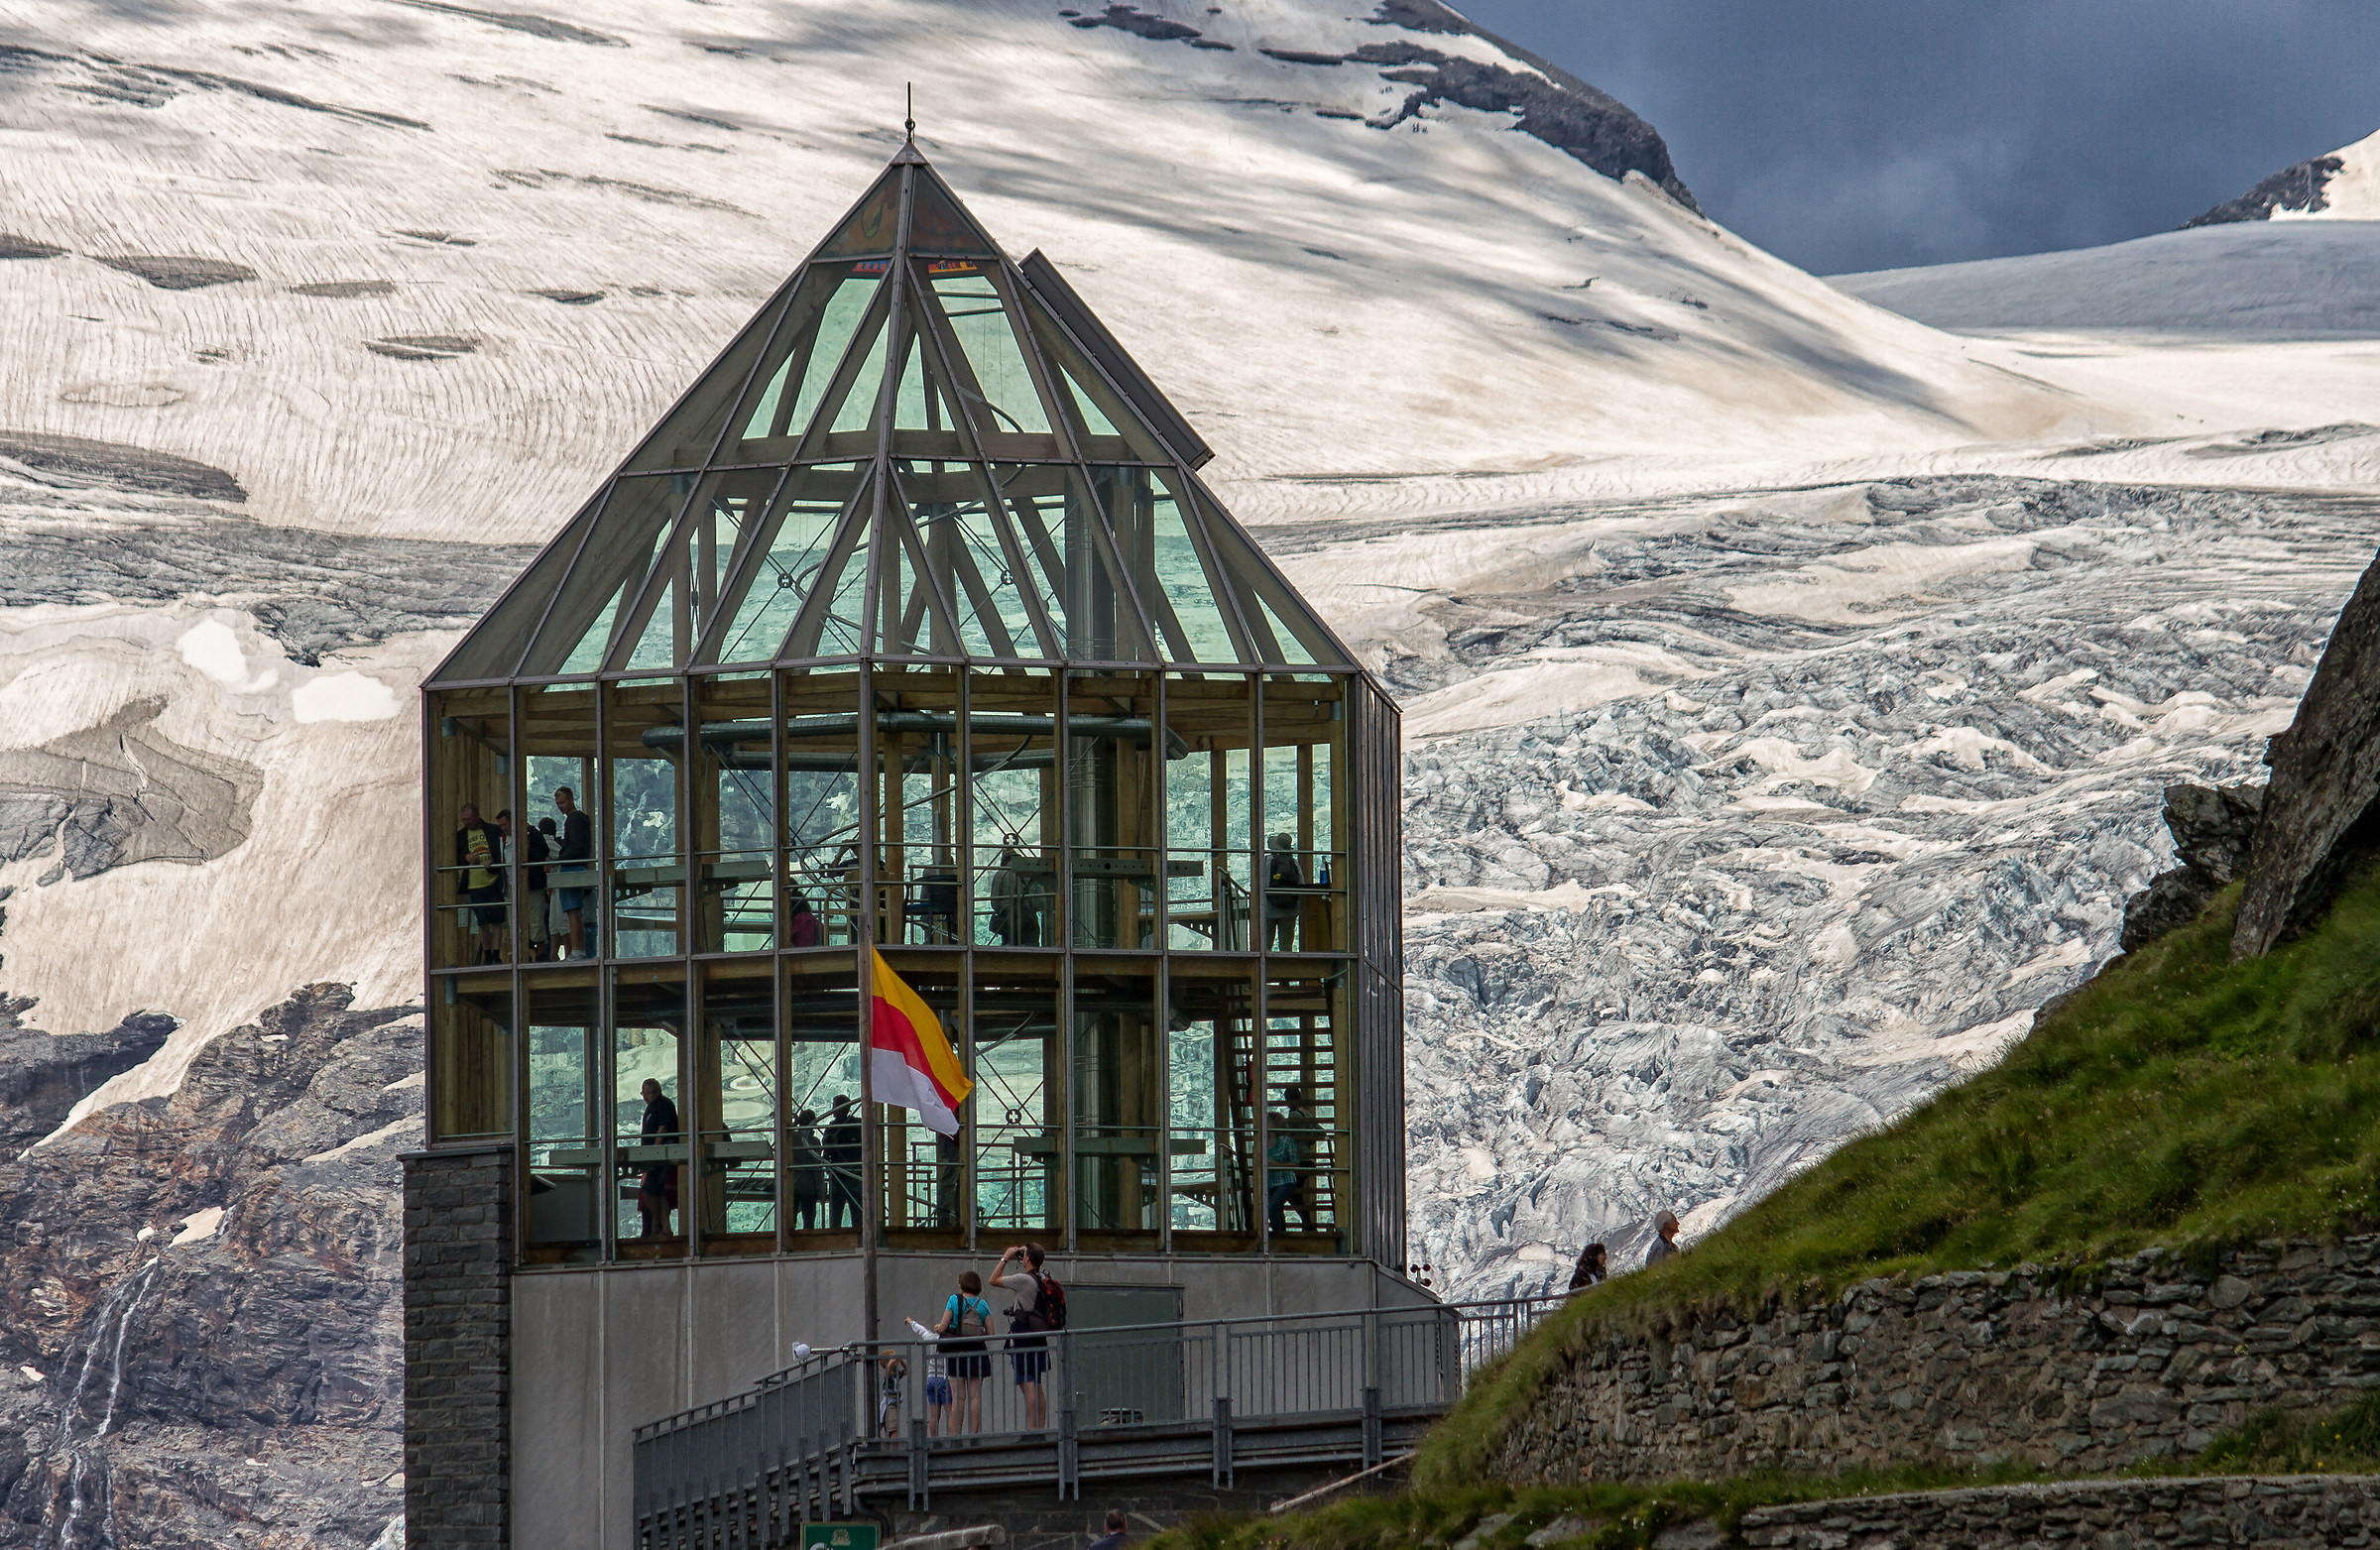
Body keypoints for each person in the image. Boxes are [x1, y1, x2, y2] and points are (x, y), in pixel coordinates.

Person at [990, 1243, 1061, 1430]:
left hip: (1024, 1333)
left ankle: (1032, 1430)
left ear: (1027, 1259)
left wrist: (1006, 1257)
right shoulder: (1042, 1277)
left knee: (1028, 1382)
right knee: (1036, 1384)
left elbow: (993, 1279)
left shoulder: (1024, 1280)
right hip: (1038, 1333)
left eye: (1024, 1255)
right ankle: (1039, 1428)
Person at [932, 1268, 995, 1434]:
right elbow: (991, 1333)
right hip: (977, 1352)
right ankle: (974, 1435)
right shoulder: (982, 1304)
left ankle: (955, 1437)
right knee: (975, 1397)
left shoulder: (954, 1300)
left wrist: (938, 1327)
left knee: (958, 1398)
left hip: (957, 1351)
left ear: (962, 1284)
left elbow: (943, 1327)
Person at [454, 802, 506, 964]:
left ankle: (497, 954)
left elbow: (502, 851)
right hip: (474, 884)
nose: (466, 822)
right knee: (481, 921)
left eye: (469, 818)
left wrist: (494, 862)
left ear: (477, 816)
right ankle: (487, 953)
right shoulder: (461, 835)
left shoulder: (492, 830)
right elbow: (455, 856)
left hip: (493, 880)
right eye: (463, 819)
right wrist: (466, 858)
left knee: (497, 919)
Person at [1265, 1085, 1318, 1234]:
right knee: (1294, 1194)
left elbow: (1285, 1132)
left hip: (1301, 1160)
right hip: (1309, 1160)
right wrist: (1309, 1140)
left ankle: (1306, 1224)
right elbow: (1320, 1131)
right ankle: (1306, 1224)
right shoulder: (1306, 1114)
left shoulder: (1294, 1116)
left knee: (1293, 1194)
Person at [552, 786, 594, 960]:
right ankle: (580, 949)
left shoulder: (572, 820)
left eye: (562, 802)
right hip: (581, 866)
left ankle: (576, 950)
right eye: (558, 804)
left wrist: (560, 858)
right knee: (576, 912)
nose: (560, 806)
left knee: (572, 912)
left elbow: (575, 846)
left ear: (570, 800)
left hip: (571, 867)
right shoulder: (581, 820)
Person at [637, 1077, 680, 1240]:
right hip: (653, 1155)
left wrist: (654, 1152)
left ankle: (657, 1221)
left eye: (648, 1093)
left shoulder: (664, 1105)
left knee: (650, 1189)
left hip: (661, 1156)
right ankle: (664, 1226)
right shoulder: (651, 1108)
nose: (645, 1097)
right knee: (659, 1193)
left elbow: (662, 1129)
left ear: (657, 1092)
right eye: (643, 1093)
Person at [823, 1094, 862, 1231]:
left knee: (837, 1210)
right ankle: (860, 1236)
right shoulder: (858, 1124)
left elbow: (826, 1151)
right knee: (857, 1210)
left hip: (839, 1172)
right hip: (855, 1172)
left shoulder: (832, 1128)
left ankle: (835, 1237)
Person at [1261, 834, 1303, 951]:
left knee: (1266, 944)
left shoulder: (1267, 860)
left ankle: (1265, 967)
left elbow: (1264, 883)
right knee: (1286, 945)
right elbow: (1301, 883)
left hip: (1269, 908)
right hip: (1290, 909)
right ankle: (1287, 968)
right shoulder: (1294, 862)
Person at [786, 1107, 824, 1230]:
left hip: (793, 1183)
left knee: (790, 1218)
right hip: (809, 1186)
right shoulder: (814, 1142)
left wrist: (795, 1123)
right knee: (808, 1219)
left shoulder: (792, 1139)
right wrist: (820, 1185)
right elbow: (817, 1166)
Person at [522, 814, 553, 961]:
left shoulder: (535, 836)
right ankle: (533, 953)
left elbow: (542, 853)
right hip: (531, 884)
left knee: (535, 921)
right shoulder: (536, 836)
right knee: (533, 920)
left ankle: (536, 953)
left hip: (532, 884)